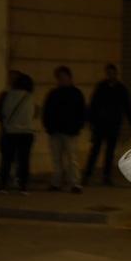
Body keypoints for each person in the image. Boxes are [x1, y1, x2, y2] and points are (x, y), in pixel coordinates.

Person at [84, 63, 131, 186]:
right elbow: (93, 105)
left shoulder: (121, 89)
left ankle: (106, 176)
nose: (110, 75)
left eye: (112, 73)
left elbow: (127, 107)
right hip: (100, 124)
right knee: (95, 151)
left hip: (113, 125)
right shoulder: (101, 87)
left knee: (110, 152)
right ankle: (87, 174)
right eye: (108, 73)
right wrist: (90, 121)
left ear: (115, 74)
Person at [42, 65, 86, 193]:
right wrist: (48, 126)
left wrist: (77, 126)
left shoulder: (76, 93)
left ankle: (75, 183)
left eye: (63, 77)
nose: (61, 80)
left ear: (69, 77)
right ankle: (56, 182)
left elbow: (81, 112)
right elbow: (47, 111)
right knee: (56, 158)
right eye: (59, 78)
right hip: (55, 130)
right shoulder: (54, 93)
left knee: (72, 158)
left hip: (70, 131)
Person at [0, 72, 35, 194]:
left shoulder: (8, 95)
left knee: (7, 159)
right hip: (25, 132)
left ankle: (3, 184)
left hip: (10, 132)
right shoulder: (29, 97)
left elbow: (4, 111)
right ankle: (23, 185)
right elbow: (31, 114)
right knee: (24, 160)